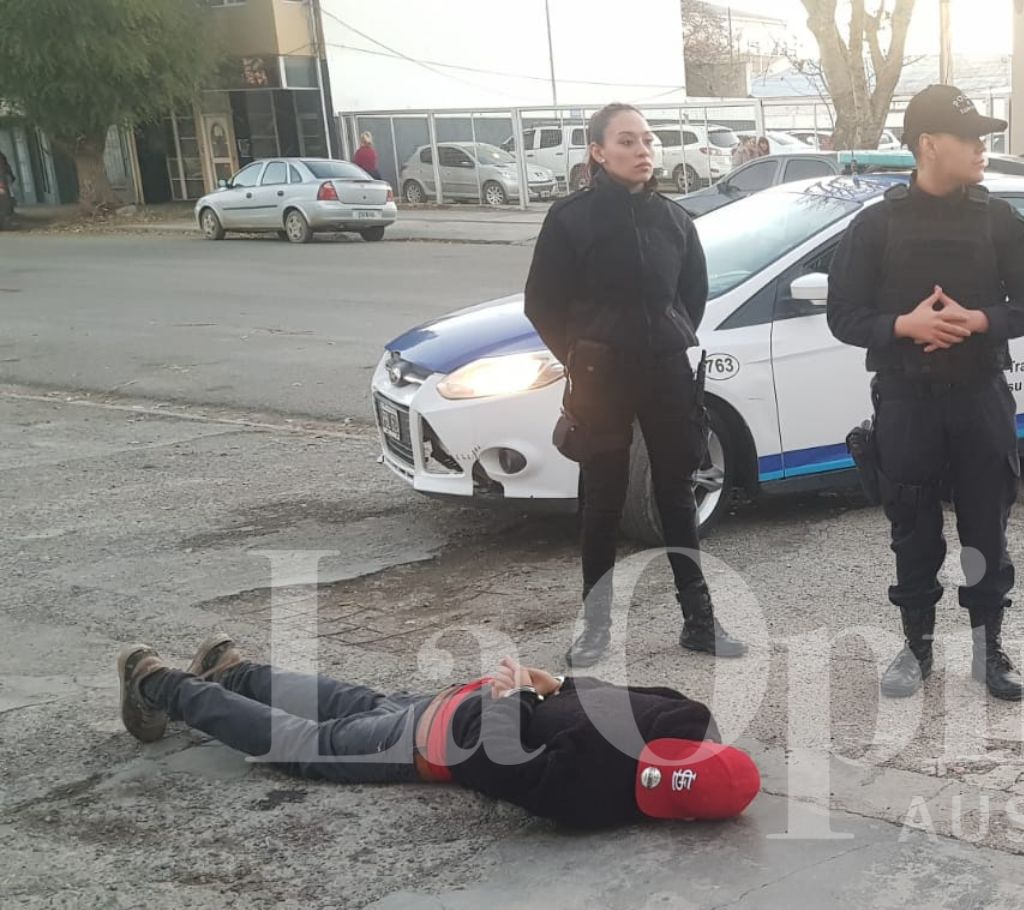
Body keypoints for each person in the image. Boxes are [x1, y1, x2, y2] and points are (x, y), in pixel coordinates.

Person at [827, 85, 1024, 703]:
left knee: (986, 526)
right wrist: (905, 326)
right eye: (970, 137)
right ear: (928, 145)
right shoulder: (876, 224)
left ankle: (988, 648)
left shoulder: (998, 219)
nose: (983, 148)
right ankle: (917, 646)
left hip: (979, 395)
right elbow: (842, 315)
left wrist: (978, 320)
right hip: (905, 400)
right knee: (913, 528)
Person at [525, 103, 746, 667]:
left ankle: (698, 620)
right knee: (602, 499)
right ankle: (595, 627)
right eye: (627, 141)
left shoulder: (674, 219)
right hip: (600, 376)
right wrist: (580, 356)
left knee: (676, 492)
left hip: (667, 372)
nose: (643, 150)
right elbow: (542, 303)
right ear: (598, 151)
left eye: (648, 140)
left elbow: (689, 298)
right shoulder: (570, 219)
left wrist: (667, 338)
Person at [113, 636, 761, 827]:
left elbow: (602, 696)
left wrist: (540, 683)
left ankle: (236, 672)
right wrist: (514, 696)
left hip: (477, 699)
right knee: (304, 746)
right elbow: (495, 761)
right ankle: (159, 685)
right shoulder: (593, 797)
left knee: (352, 702)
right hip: (460, 729)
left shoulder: (684, 716)